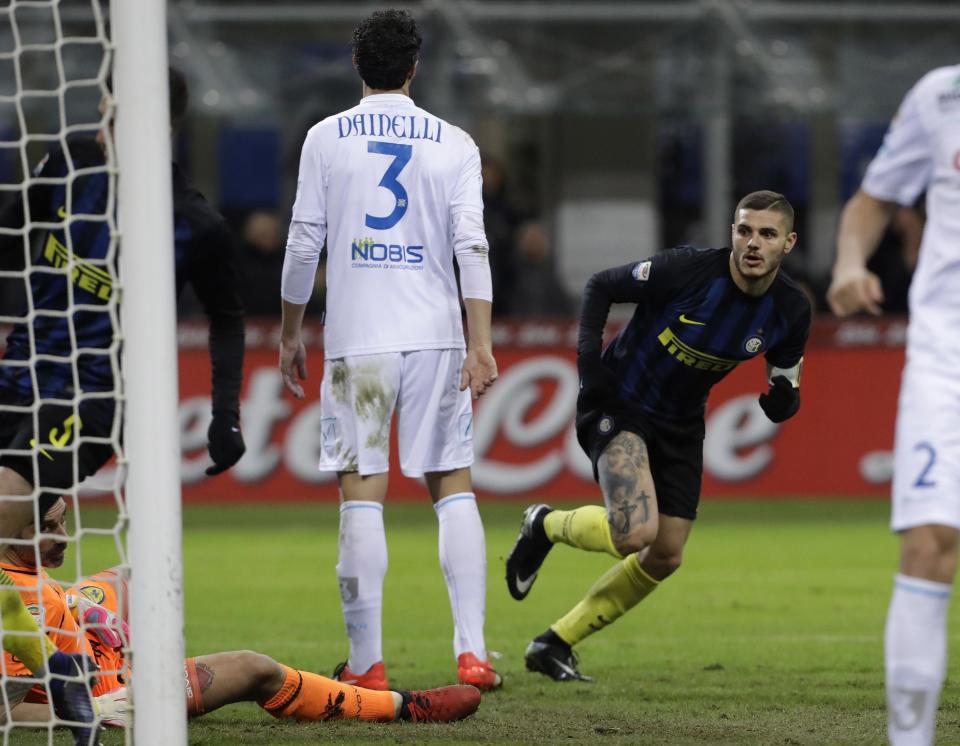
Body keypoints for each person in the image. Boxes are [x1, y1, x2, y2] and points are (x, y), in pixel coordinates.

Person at [0, 66, 246, 743]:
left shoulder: (192, 219)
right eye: (109, 103)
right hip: (16, 380)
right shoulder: (66, 162)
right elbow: (10, 235)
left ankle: (57, 665)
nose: (110, 117)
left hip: (93, 400)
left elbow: (227, 318)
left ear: (159, 120)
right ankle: (54, 675)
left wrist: (226, 409)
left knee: (2, 506)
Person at [279, 9, 500, 691]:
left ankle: (367, 664)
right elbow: (472, 245)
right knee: (452, 481)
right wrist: (481, 341)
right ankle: (474, 654)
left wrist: (290, 330)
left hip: (359, 341)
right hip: (437, 334)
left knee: (361, 492)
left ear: (357, 65)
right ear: (413, 68)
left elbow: (301, 242)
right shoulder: (454, 142)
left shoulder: (325, 137)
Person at [506, 190, 811, 681]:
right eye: (744, 230)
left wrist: (783, 399)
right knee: (634, 533)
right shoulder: (688, 271)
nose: (753, 243)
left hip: (683, 422)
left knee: (665, 553)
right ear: (732, 232)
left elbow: (786, 375)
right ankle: (543, 525)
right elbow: (600, 285)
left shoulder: (791, 309)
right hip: (620, 401)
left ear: (789, 243)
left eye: (767, 234)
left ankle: (554, 641)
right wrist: (588, 367)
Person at [0, 498, 482, 729]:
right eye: (49, 527)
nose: (64, 536)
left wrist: (78, 604)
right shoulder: (16, 607)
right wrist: (89, 714)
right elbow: (11, 710)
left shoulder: (18, 572)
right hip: (112, 697)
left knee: (126, 575)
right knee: (255, 668)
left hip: (92, 654)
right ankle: (400, 706)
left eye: (64, 520)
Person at [827, 64, 960, 746]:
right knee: (929, 544)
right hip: (947, 354)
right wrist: (851, 260)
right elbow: (872, 201)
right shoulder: (941, 95)